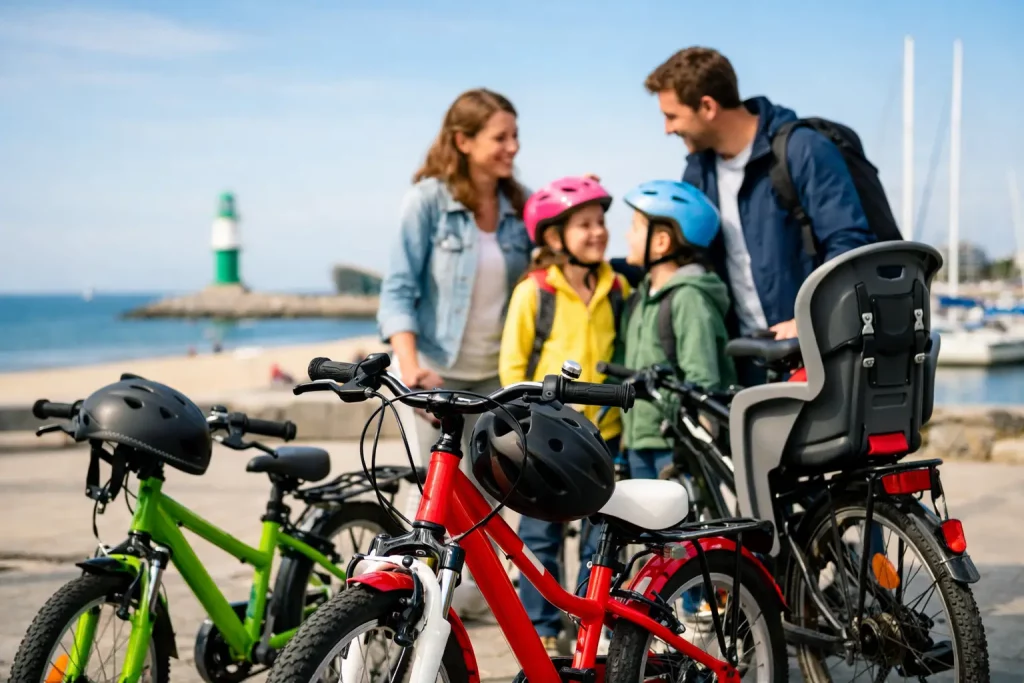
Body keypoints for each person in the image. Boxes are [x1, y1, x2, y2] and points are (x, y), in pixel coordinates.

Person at [376, 88, 533, 619]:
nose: (513, 147)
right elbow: (398, 290)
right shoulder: (428, 202)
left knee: (490, 497)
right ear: (463, 141)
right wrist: (411, 364)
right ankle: (411, 602)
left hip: (498, 377)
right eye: (500, 137)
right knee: (431, 495)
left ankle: (464, 603)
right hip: (434, 373)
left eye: (515, 135)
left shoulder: (521, 208)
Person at [642, 47, 875, 385]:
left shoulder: (802, 150)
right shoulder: (698, 173)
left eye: (672, 116)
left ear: (707, 107)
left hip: (816, 354)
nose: (667, 129)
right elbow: (682, 255)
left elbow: (849, 243)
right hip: (746, 360)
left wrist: (810, 319)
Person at [499, 176, 628, 654]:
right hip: (544, 437)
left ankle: (588, 624)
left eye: (601, 222)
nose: (599, 232)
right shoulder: (534, 291)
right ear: (554, 237)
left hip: (603, 434)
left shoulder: (618, 286)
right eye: (585, 225)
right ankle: (541, 628)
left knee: (600, 539)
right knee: (539, 536)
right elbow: (512, 368)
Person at [619, 178, 736, 617]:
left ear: (662, 241)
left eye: (635, 227)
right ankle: (665, 624)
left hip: (677, 444)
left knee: (685, 542)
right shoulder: (641, 298)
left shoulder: (689, 300)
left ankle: (702, 618)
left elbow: (702, 380)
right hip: (641, 439)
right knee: (654, 546)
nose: (627, 235)